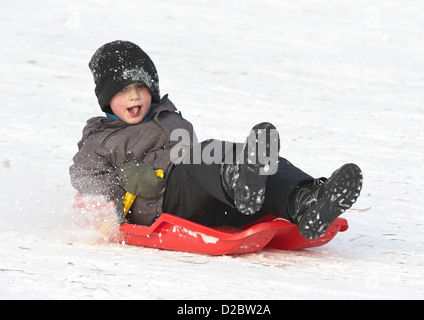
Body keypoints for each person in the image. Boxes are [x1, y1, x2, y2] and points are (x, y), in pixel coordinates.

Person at [70, 40, 363, 240]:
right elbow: (83, 180)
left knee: (262, 162)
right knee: (204, 153)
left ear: (152, 89)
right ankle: (239, 181)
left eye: (139, 87)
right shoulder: (101, 139)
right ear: (107, 100)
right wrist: (124, 178)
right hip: (162, 208)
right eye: (121, 91)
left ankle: (306, 201)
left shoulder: (169, 116)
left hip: (212, 204)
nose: (133, 96)